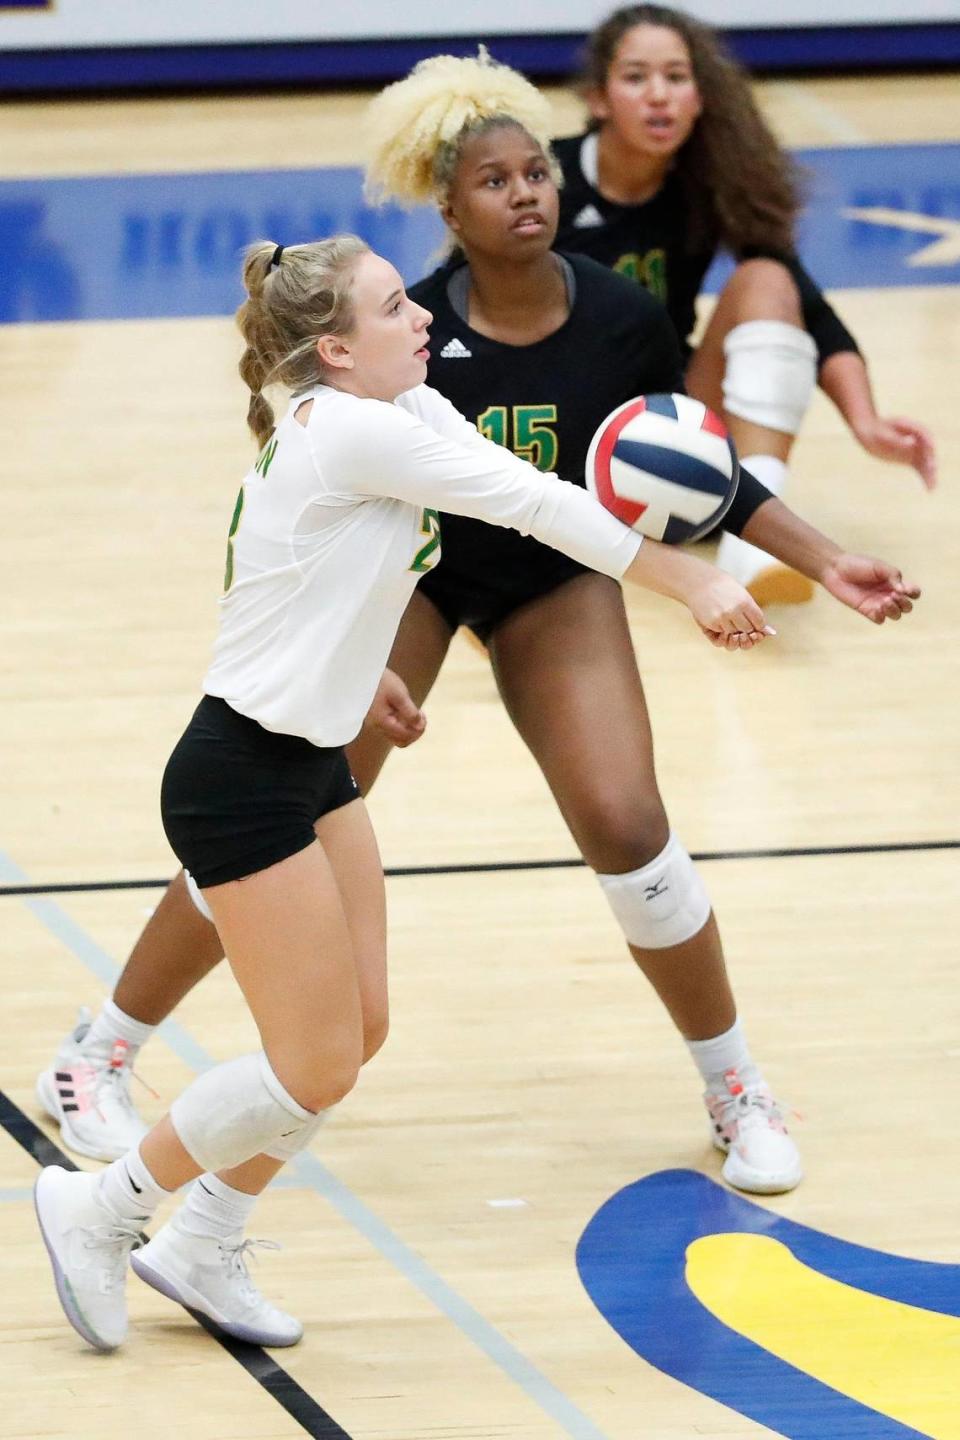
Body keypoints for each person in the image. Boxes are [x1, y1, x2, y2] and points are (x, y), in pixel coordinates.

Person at [37, 53, 919, 1235]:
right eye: (493, 181)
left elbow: (682, 468)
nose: (525, 195)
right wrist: (369, 671)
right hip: (425, 579)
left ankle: (735, 1083)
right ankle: (102, 1049)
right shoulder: (404, 348)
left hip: (561, 581)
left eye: (533, 175)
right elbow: (364, 546)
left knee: (627, 820)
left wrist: (821, 559)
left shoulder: (616, 316)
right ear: (448, 211)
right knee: (286, 806)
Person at [33, 232, 782, 1355]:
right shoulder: (354, 430)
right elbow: (531, 502)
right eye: (395, 307)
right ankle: (104, 1207)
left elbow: (294, 573)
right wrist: (688, 575)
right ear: (336, 348)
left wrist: (360, 664)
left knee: (359, 1030)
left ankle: (204, 1241)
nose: (424, 315)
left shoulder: (403, 414)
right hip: (236, 780)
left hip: (313, 766)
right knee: (313, 1060)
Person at [553, 4, 936, 602]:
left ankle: (749, 542)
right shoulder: (544, 183)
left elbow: (807, 304)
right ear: (599, 97)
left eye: (677, 77)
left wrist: (866, 421)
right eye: (636, 77)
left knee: (767, 278)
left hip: (665, 414)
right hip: (568, 427)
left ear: (701, 97)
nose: (659, 96)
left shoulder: (709, 182)